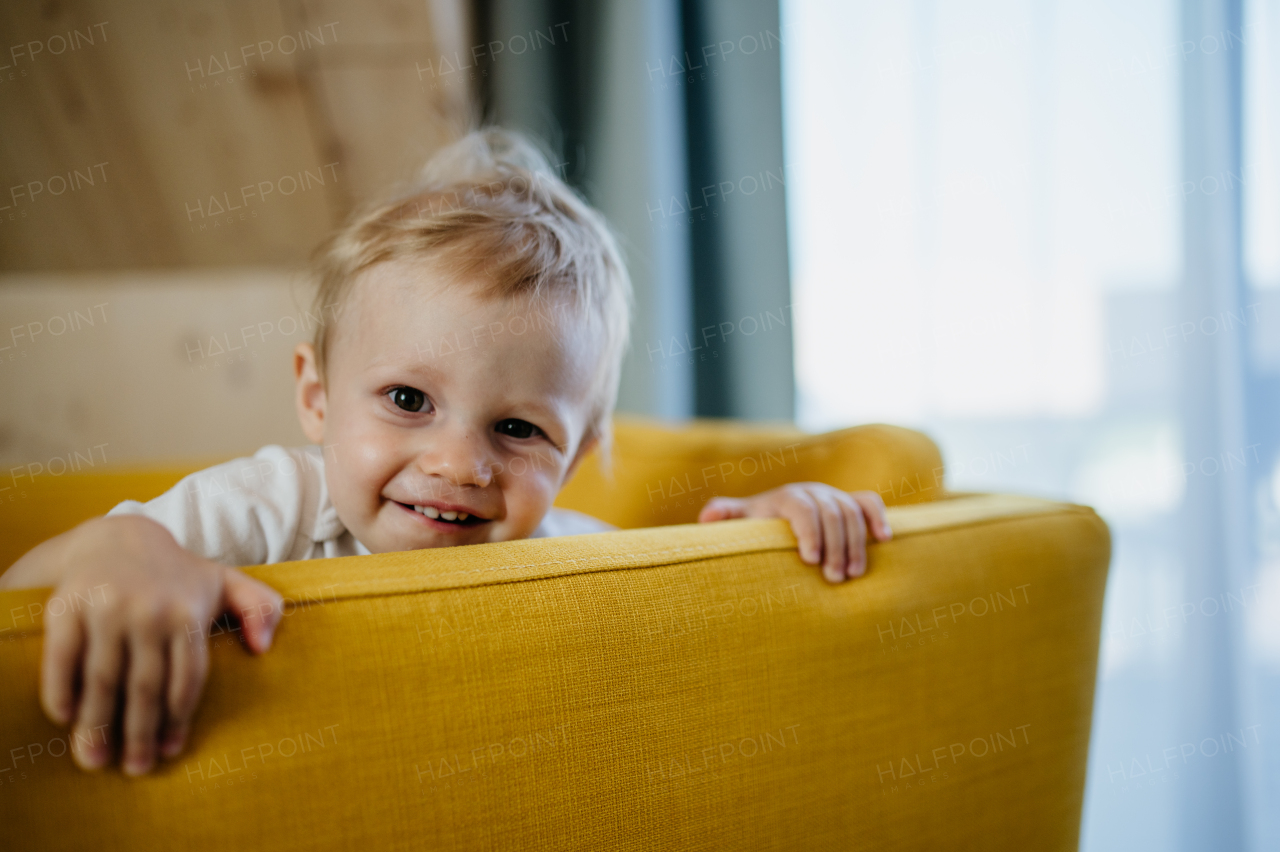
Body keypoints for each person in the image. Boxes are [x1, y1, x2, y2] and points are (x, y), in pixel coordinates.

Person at [0, 129, 891, 777]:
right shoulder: (263, 505)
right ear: (315, 397)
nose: (460, 464)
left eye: (518, 429)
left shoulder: (567, 558)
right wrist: (121, 551)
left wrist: (770, 537)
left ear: (577, 458)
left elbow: (708, 606)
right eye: (407, 400)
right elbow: (18, 600)